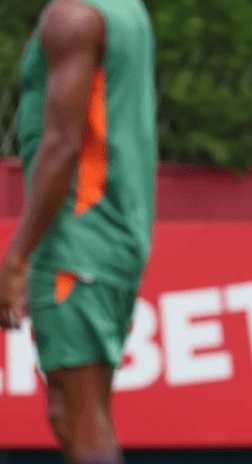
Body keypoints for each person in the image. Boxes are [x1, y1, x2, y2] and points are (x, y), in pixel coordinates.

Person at [0, 0, 157, 463]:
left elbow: (61, 145)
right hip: (110, 232)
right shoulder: (126, 10)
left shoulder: (73, 15)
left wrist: (17, 259)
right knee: (75, 412)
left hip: (80, 236)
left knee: (79, 418)